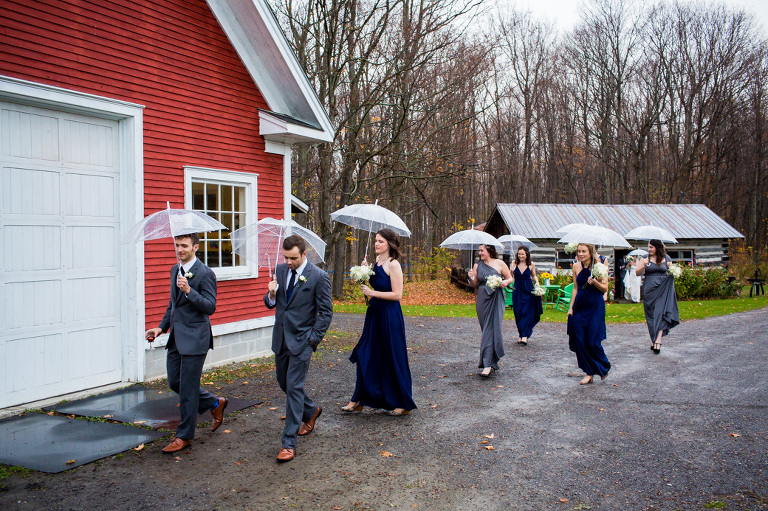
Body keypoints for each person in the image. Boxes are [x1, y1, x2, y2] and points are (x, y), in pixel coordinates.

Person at [145, 233, 228, 453]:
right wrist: (161, 328)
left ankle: (184, 435)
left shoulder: (205, 273)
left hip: (196, 338)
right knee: (175, 382)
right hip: (176, 337)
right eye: (177, 245)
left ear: (195, 248)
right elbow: (173, 304)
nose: (180, 249)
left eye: (184, 245)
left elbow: (210, 306)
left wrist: (189, 290)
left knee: (189, 390)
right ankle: (214, 403)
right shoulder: (175, 270)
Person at [265, 234, 333, 462]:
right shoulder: (280, 270)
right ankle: (311, 410)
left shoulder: (319, 277)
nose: (288, 262)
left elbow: (326, 313)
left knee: (294, 387)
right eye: (286, 257)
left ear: (304, 254)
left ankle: (289, 443)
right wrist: (271, 294)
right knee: (283, 383)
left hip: (303, 341)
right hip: (281, 339)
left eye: (293, 258)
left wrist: (312, 340)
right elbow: (273, 304)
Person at [343, 229, 416, 416]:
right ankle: (359, 398)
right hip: (374, 314)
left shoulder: (393, 264)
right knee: (365, 353)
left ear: (389, 244)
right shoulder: (376, 262)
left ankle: (401, 402)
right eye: (376, 240)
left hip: (389, 315)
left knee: (392, 355)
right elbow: (375, 284)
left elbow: (397, 294)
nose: (376, 244)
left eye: (381, 241)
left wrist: (372, 293)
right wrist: (364, 272)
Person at [567, 243, 611, 385]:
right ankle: (588, 373)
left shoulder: (599, 267)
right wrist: (571, 308)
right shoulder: (576, 267)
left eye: (583, 251)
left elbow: (605, 288)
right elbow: (575, 288)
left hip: (595, 307)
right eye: (579, 251)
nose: (580, 254)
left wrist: (595, 282)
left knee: (592, 342)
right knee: (580, 340)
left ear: (590, 252)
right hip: (580, 307)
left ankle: (603, 366)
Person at [468, 243, 513, 377]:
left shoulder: (500, 263)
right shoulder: (477, 265)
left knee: (492, 329)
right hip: (482, 298)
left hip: (496, 297)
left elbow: (510, 278)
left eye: (482, 250)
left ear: (489, 250)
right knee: (486, 329)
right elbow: (475, 284)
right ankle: (493, 361)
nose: (480, 253)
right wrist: (471, 277)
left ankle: (487, 364)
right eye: (479, 251)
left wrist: (505, 282)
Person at [635, 239, 679, 354]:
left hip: (663, 289)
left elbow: (671, 272)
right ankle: (654, 339)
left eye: (651, 247)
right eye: (648, 247)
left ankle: (658, 340)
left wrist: (674, 271)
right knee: (651, 316)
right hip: (649, 290)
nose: (649, 249)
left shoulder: (666, 258)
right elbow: (637, 273)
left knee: (660, 313)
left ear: (657, 248)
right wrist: (643, 265)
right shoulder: (645, 258)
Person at [509, 245, 542, 345]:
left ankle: (524, 336)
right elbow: (510, 276)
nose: (520, 256)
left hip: (528, 290)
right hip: (517, 290)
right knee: (518, 312)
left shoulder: (531, 264)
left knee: (527, 312)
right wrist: (511, 270)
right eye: (519, 254)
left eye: (522, 254)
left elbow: (534, 275)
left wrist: (537, 282)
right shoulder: (514, 263)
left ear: (527, 254)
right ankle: (521, 334)